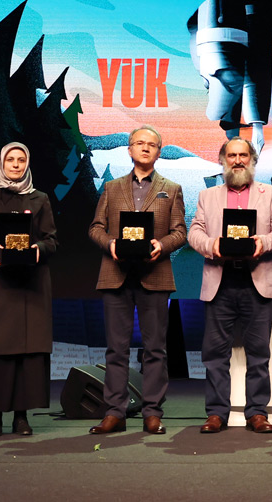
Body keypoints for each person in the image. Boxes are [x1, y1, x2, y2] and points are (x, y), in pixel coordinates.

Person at [87, 126, 186, 435]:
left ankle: (152, 412)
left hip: (155, 276)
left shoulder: (172, 188)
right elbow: (96, 227)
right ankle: (115, 412)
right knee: (116, 350)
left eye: (151, 144)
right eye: (139, 143)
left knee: (156, 350)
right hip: (116, 275)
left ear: (159, 151)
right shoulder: (111, 187)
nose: (145, 148)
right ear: (129, 149)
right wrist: (110, 244)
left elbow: (180, 231)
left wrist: (162, 245)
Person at [188, 137, 272, 434]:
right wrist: (212, 245)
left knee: (259, 354)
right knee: (215, 355)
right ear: (223, 160)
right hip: (220, 281)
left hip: (257, 281)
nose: (238, 160)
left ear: (252, 160)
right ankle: (216, 413)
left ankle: (256, 412)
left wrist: (264, 242)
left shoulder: (271, 194)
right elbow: (194, 232)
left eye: (243, 155)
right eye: (231, 155)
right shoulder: (207, 195)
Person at [0, 142, 58, 436]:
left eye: (21, 160)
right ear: (2, 164)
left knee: (26, 352)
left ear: (27, 164)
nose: (16, 165)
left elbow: (51, 240)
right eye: (10, 160)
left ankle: (21, 417)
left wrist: (37, 248)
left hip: (30, 287)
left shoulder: (40, 199)